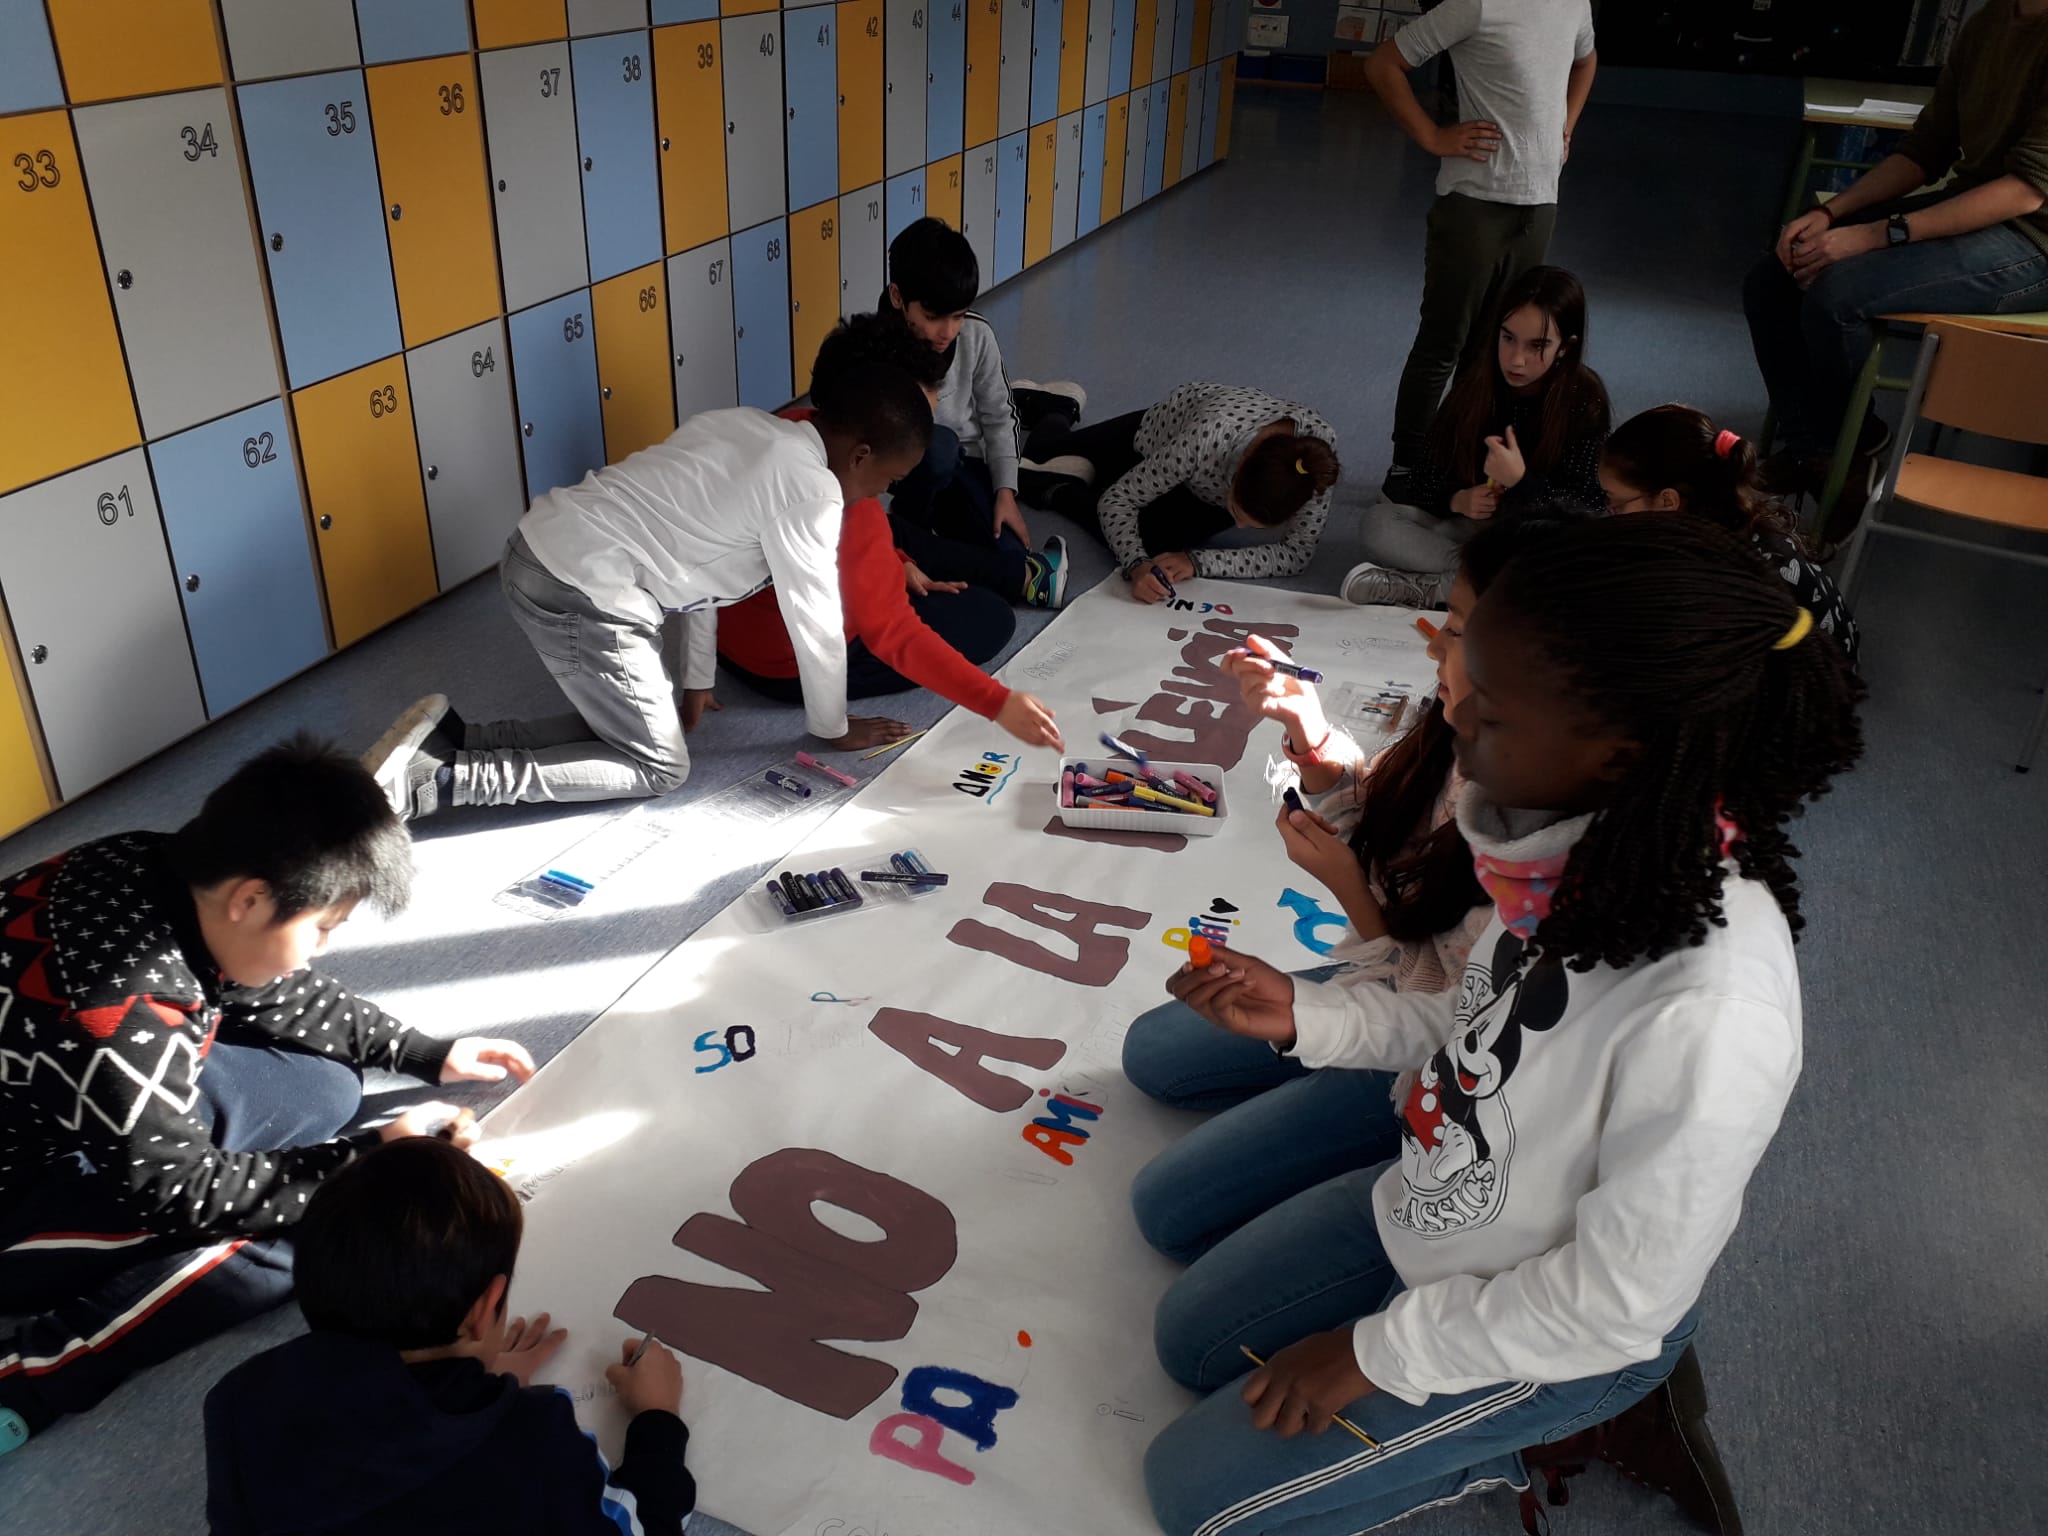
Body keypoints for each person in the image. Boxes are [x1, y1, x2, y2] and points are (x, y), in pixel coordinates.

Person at [1133, 515, 1865, 1536]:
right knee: (1186, 1338)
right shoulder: (1573, 852)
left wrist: (1377, 1353)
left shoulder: (1711, 1006)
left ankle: (1541, 1438)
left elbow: (1618, 1300)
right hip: (1442, 1202)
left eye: (1494, 707)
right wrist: (1306, 1014)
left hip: (1561, 1320)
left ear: (1621, 750)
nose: (1458, 718)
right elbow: (1463, 1017)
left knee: (1188, 1499)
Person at [0, 738, 536, 1449]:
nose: (322, 948)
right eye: (322, 929)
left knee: (325, 1084)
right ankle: (34, 1374)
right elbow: (174, 1191)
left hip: (62, 1097)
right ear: (250, 899)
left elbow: (273, 989)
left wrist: (422, 1053)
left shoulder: (148, 860)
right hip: (19, 1197)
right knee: (323, 1226)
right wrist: (364, 1162)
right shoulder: (118, 1012)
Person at [1121, 513, 1584, 1125]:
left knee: (1182, 1179)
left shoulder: (1538, 843)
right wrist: (1307, 729)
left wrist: (1346, 886)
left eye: (1456, 631)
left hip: (1445, 1045)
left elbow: (1452, 1011)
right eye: (1445, 622)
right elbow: (1387, 819)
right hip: (1402, 975)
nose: (1433, 647)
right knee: (1155, 1052)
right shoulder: (1465, 735)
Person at [363, 362, 934, 821]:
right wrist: (833, 727)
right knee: (659, 766)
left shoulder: (748, 425)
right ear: (861, 455)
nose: (878, 495)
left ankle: (453, 740)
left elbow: (703, 565)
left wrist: (697, 678)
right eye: (888, 480)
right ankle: (440, 780)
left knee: (624, 727)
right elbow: (817, 622)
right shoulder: (813, 493)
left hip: (536, 548)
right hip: (583, 589)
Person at [204, 1137, 702, 1535]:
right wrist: (658, 1420)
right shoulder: (535, 1438)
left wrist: (475, 1387)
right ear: (484, 1310)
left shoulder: (240, 1398)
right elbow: (644, 1526)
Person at [1743, 0, 2048, 531]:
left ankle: (1832, 453)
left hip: (2035, 242)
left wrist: (1873, 234)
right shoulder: (1988, 23)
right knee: (1774, 277)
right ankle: (1831, 446)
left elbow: (2026, 191)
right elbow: (1925, 149)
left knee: (1840, 293)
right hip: (1972, 208)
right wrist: (1831, 214)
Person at [720, 314, 1065, 749]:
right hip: (782, 667)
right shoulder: (847, 511)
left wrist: (891, 562)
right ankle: (1021, 576)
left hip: (730, 638)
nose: (922, 440)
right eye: (914, 421)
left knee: (901, 535)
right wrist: (997, 703)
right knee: (989, 619)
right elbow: (894, 635)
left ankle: (1018, 574)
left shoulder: (790, 426)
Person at [1366, 0, 1598, 501]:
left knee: (1496, 346)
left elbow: (1586, 60)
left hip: (1539, 203)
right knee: (1444, 342)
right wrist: (1432, 135)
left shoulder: (1574, 5)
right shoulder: (1475, 5)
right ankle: (1408, 465)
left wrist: (1567, 123)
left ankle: (1458, 458)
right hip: (1474, 204)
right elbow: (1383, 64)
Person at [1342, 265, 1610, 608]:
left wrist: (1521, 482)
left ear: (1565, 348)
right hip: (1469, 533)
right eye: (1508, 338)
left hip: (1531, 539)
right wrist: (1457, 499)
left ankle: (1432, 589)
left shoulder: (1583, 400)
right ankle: (1473, 583)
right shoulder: (1477, 384)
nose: (1516, 360)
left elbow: (1586, 512)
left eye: (1537, 346)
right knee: (1378, 523)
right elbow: (1423, 476)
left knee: (1568, 566)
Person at [879, 216, 1075, 608]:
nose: (948, 331)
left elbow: (998, 416)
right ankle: (915, 526)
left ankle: (1040, 405)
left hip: (964, 460)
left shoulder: (976, 334)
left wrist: (1005, 491)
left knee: (1008, 554)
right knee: (937, 448)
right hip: (904, 470)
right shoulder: (874, 346)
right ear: (898, 297)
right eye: (933, 317)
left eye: (958, 315)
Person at [1018, 383, 1342, 603]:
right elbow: (1119, 501)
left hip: (1206, 487)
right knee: (1039, 455)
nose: (1239, 528)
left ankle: (1063, 485)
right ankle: (1058, 408)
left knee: (1157, 542)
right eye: (1237, 514)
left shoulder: (1314, 464)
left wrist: (1197, 562)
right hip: (1154, 438)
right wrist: (1136, 564)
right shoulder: (1205, 440)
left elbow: (1296, 554)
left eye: (1253, 525)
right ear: (1237, 474)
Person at [1601, 404, 1860, 666]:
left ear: (1668, 501)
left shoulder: (1721, 579)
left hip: (1808, 680)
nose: (1610, 512)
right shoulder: (1726, 516)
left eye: (1615, 503)